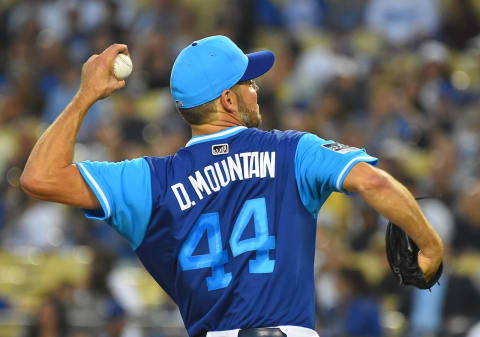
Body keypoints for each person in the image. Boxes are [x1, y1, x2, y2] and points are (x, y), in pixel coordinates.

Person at [20, 36, 444, 337]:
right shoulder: (293, 150)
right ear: (227, 100)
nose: (256, 89)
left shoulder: (149, 180)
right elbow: (373, 182)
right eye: (248, 82)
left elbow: (39, 177)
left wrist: (85, 95)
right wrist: (429, 246)